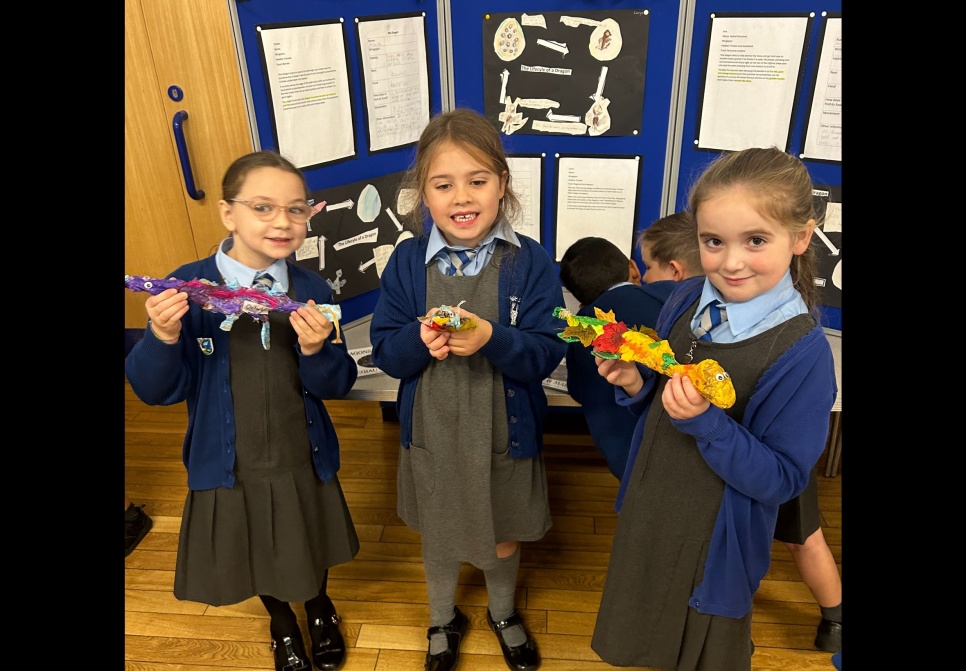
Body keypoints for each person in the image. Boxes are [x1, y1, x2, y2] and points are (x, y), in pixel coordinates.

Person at [590, 147, 837, 670]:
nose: (731, 261)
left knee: (702, 653)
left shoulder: (802, 353)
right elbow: (659, 409)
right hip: (651, 515)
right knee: (648, 642)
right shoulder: (684, 299)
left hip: (713, 549)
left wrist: (708, 425)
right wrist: (636, 382)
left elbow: (783, 479)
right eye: (713, 242)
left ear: (799, 238)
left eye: (755, 240)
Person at [125, 150, 360, 671]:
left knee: (309, 535)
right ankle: (282, 624)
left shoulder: (313, 289)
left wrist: (319, 351)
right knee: (254, 543)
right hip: (229, 461)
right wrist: (162, 337)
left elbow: (336, 383)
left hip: (302, 452)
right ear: (229, 214)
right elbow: (156, 390)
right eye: (263, 207)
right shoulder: (188, 287)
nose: (282, 221)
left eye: (297, 209)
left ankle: (320, 608)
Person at [369, 108, 566, 671]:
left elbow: (547, 350)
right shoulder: (407, 262)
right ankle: (441, 616)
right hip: (434, 428)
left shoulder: (529, 262)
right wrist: (417, 340)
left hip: (504, 432)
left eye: (477, 180)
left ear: (502, 185)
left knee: (503, 531)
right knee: (439, 529)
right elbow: (386, 350)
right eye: (443, 183)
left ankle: (502, 612)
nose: (463, 197)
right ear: (423, 195)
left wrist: (492, 339)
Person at [558, 222, 698, 478]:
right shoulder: (679, 298)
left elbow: (577, 390)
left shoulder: (585, 324)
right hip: (691, 451)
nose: (645, 276)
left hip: (626, 457)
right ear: (632, 268)